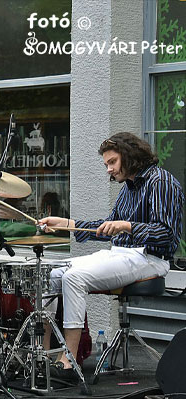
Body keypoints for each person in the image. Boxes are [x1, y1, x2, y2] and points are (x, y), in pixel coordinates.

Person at [39, 132, 183, 380]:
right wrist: (67, 223)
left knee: (73, 277)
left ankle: (69, 360)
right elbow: (108, 227)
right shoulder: (128, 188)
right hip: (121, 254)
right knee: (49, 273)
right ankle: (42, 354)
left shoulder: (161, 182)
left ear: (130, 157)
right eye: (107, 164)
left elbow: (167, 236)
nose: (108, 169)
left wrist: (127, 226)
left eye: (112, 162)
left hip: (150, 258)